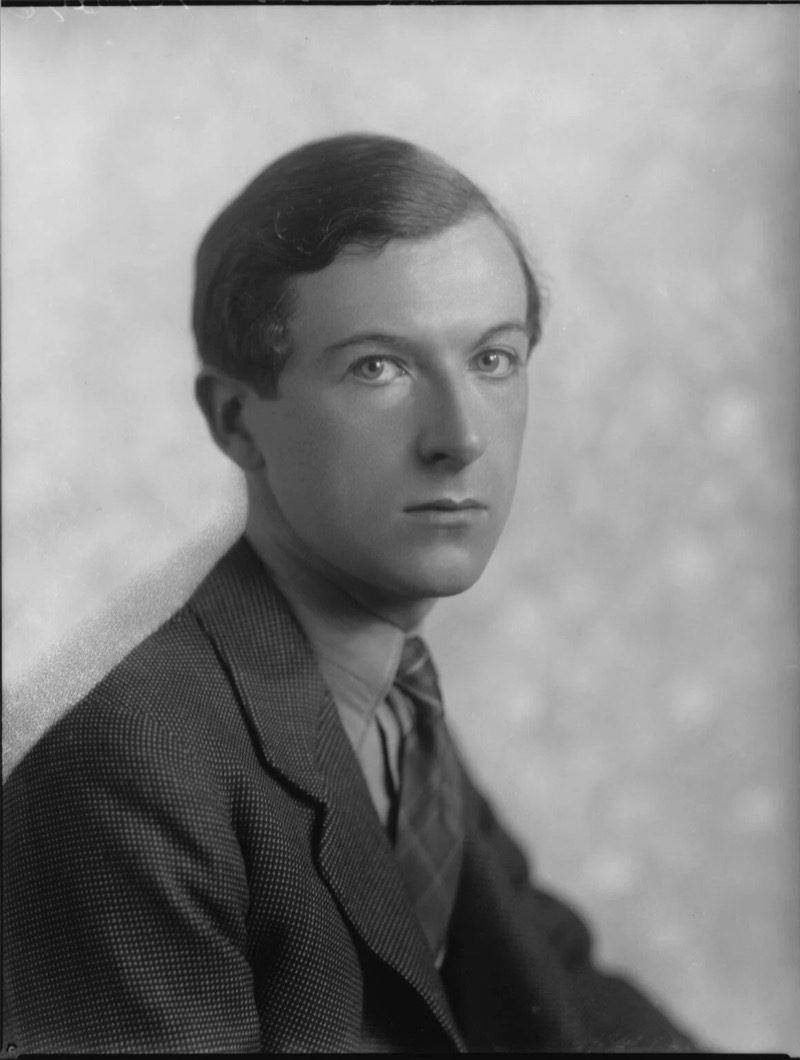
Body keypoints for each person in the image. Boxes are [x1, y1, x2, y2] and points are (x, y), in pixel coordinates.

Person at [3, 134, 698, 1053]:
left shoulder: (393, 700)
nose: (459, 439)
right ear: (235, 421)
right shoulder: (127, 769)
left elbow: (553, 980)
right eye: (380, 367)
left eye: (493, 359)